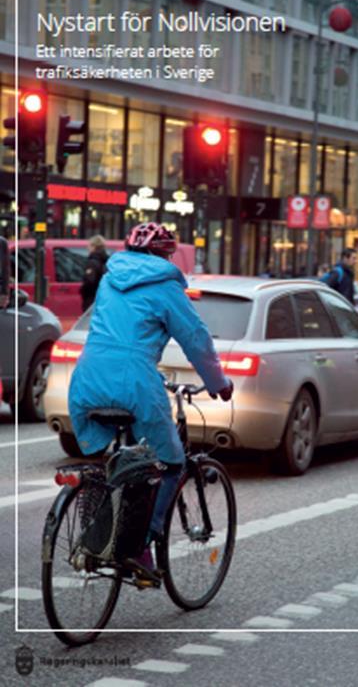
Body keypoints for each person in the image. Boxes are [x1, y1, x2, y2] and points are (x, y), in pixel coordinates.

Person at [68, 222, 233, 577]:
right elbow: (195, 339)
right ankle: (140, 548)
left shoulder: (111, 278)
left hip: (87, 377)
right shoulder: (165, 285)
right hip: (135, 383)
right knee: (170, 463)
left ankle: (99, 537)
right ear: (164, 254)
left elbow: (119, 335)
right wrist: (218, 383)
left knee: (116, 461)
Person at [80, 235, 109, 312]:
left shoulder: (92, 262)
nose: (87, 248)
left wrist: (82, 290)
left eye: (89, 246)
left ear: (94, 246)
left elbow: (89, 282)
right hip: (103, 297)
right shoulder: (107, 261)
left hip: (91, 298)